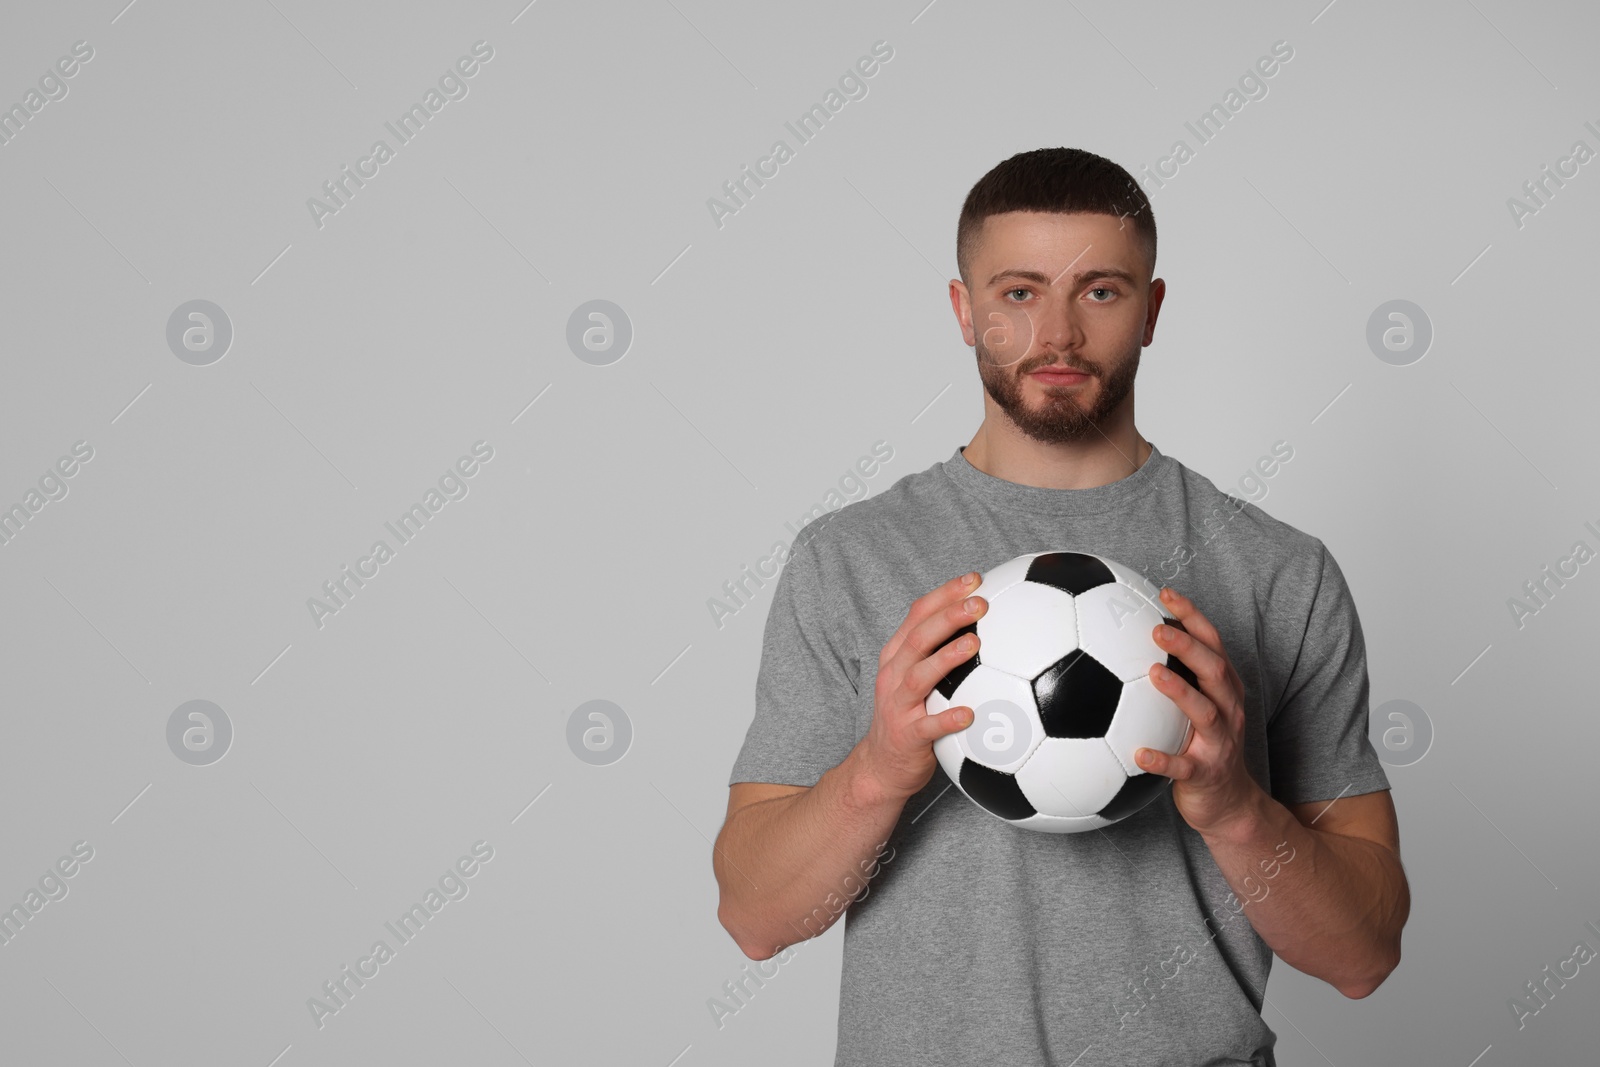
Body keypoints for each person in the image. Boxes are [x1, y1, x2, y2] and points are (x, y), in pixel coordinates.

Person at [713, 146, 1409, 1066]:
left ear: (1152, 311)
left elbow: (1363, 955)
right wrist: (879, 770)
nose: (1057, 335)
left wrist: (1236, 805)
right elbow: (756, 919)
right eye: (1017, 293)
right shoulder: (848, 560)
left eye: (1100, 292)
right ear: (965, 312)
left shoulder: (1279, 571)